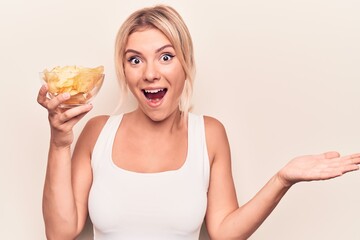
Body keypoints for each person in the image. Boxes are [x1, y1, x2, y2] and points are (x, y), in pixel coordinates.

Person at [37, 5, 360, 240]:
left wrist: (282, 179)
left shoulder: (209, 134)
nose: (150, 72)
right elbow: (60, 232)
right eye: (135, 59)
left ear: (186, 63)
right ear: (124, 70)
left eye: (166, 56)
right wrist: (59, 142)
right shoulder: (98, 132)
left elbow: (224, 232)